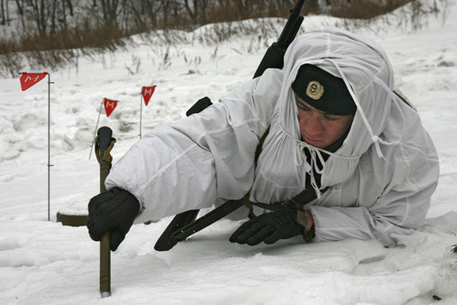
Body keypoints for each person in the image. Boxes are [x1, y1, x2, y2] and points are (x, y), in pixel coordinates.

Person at [87, 26, 439, 251]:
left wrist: (308, 221)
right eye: (303, 108)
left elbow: (398, 224)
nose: (311, 128)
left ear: (364, 114)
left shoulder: (403, 150)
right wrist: (133, 191)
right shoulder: (269, 97)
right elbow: (201, 143)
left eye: (330, 117)